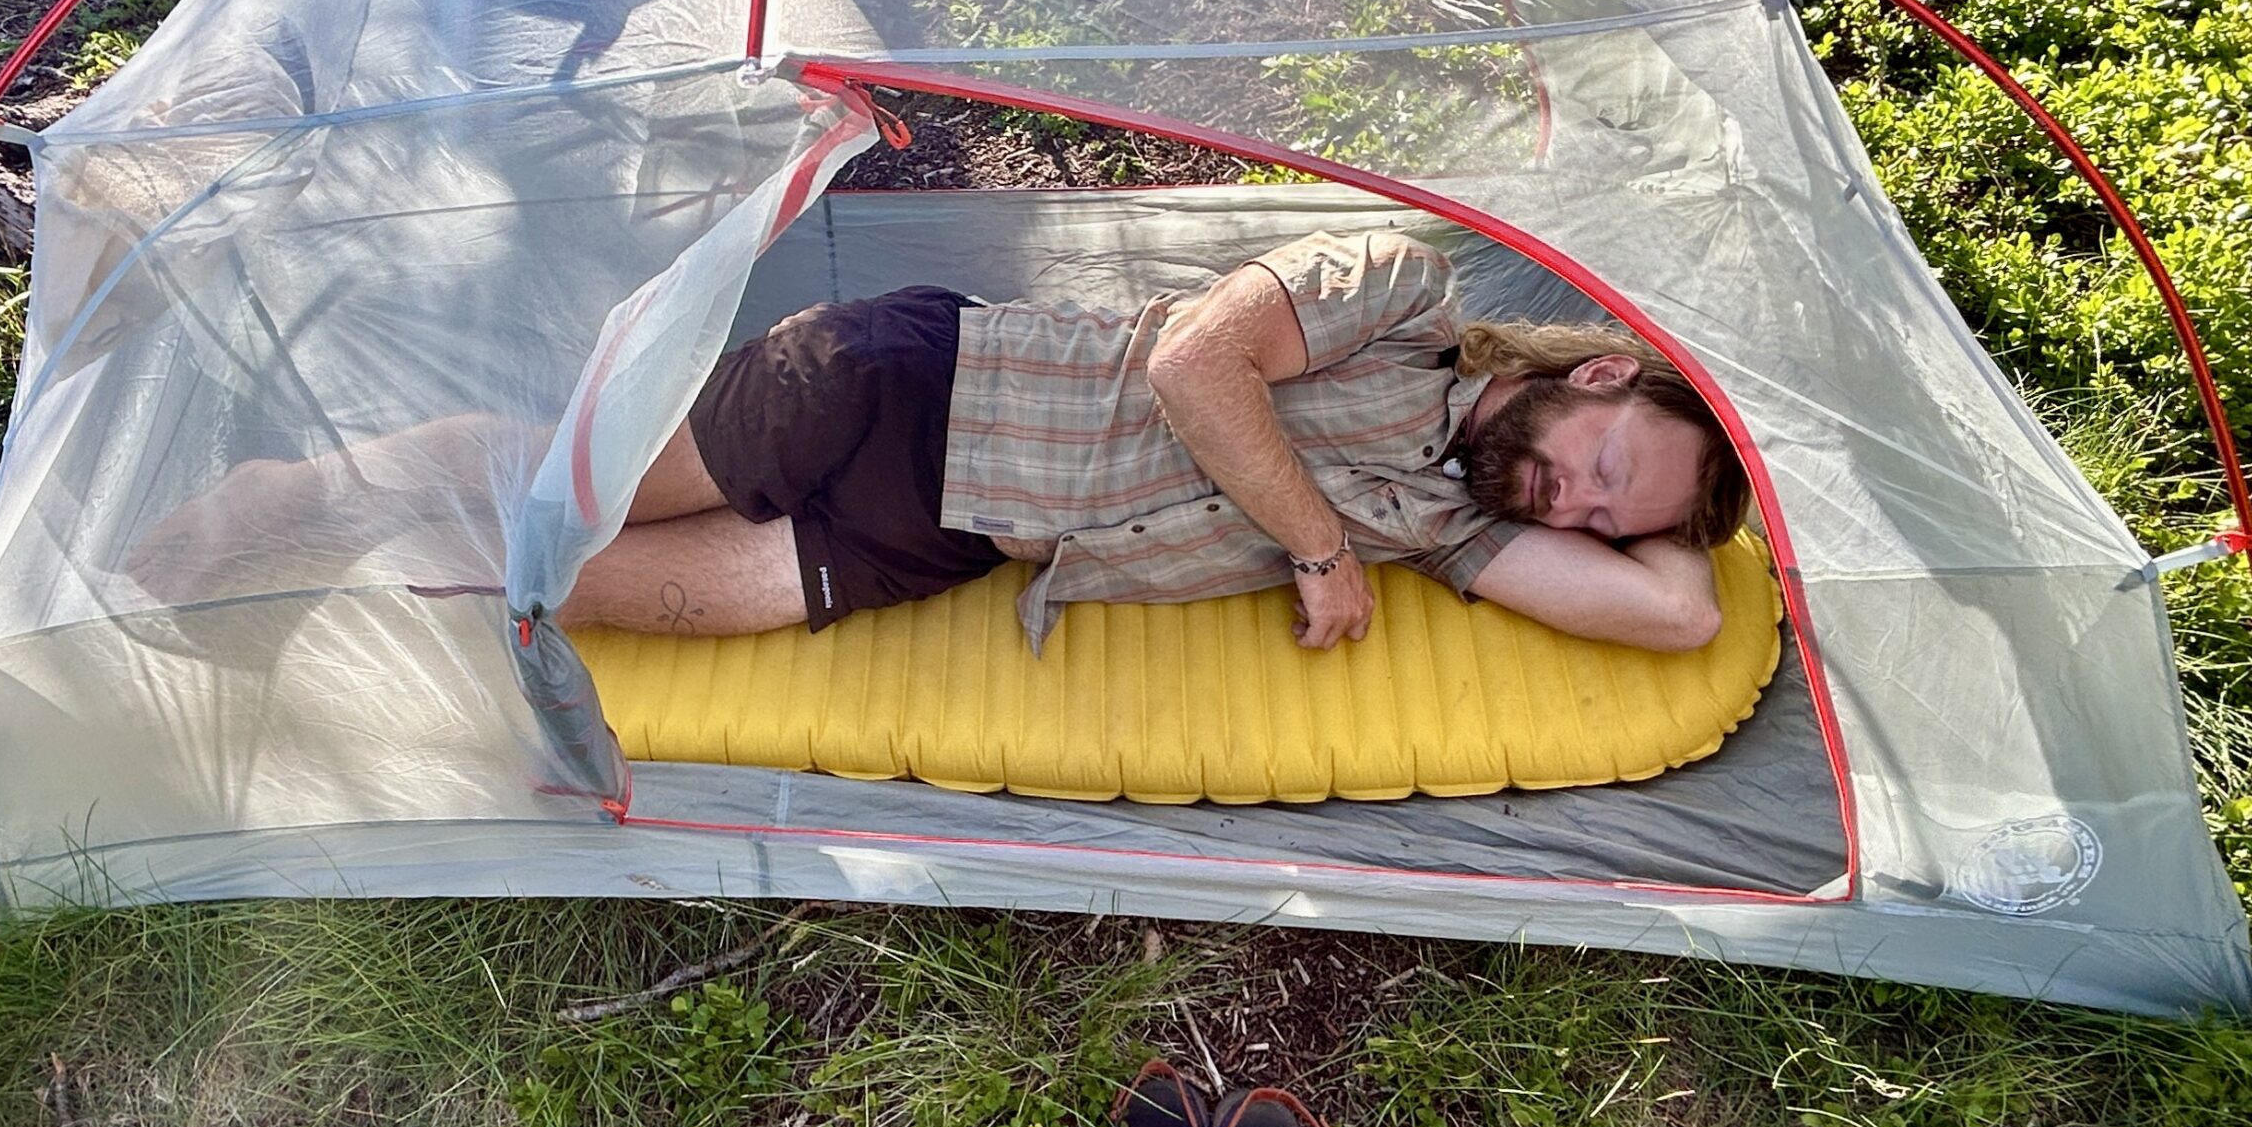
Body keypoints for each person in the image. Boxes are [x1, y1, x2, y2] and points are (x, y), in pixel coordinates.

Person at [565, 229, 1751, 656]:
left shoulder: (1451, 524)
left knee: (569, 588)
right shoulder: (1399, 292)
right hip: (911, 389)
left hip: (943, 536)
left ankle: (391, 598)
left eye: (1601, 522)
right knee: (556, 492)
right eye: (1599, 469)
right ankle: (369, 491)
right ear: (1596, 371)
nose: (1568, 505)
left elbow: (1679, 616)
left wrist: (1681, 497)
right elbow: (1195, 359)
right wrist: (1319, 547)